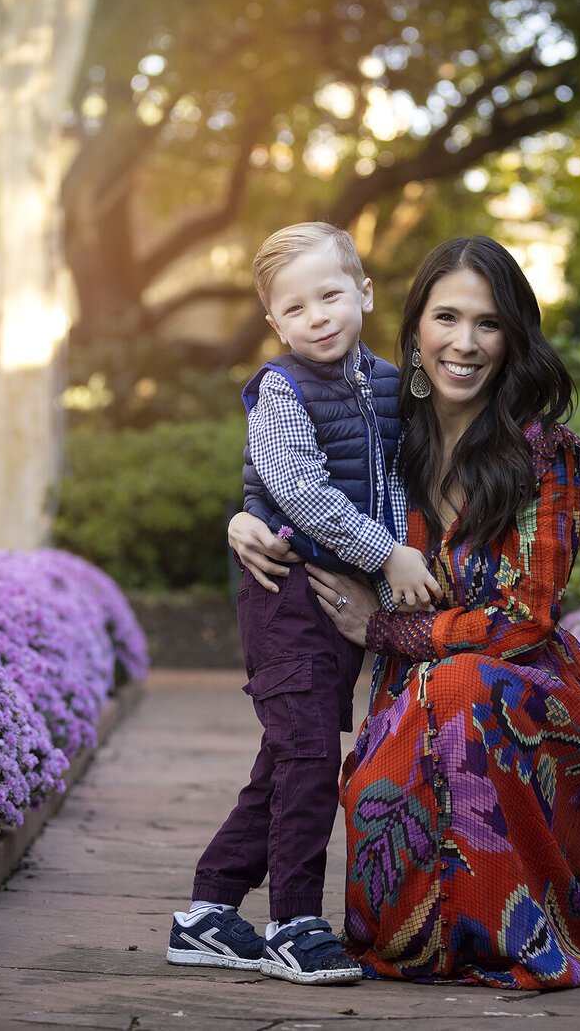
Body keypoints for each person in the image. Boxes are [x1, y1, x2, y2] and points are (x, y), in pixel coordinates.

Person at [229, 235, 580, 989]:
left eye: (488, 323)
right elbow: (295, 473)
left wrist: (381, 627)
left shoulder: (547, 455)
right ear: (415, 326)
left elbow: (524, 617)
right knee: (385, 920)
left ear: (514, 336)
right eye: (446, 317)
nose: (465, 342)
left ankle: (513, 922)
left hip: (527, 693)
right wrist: (244, 520)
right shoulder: (394, 435)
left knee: (461, 686)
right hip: (411, 702)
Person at [167, 222, 440, 986]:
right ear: (275, 323)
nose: (317, 315)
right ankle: (293, 920)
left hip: (341, 603)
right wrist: (387, 556)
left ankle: (209, 909)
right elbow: (299, 491)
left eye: (330, 294)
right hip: (284, 592)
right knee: (313, 754)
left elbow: (405, 481)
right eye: (296, 307)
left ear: (364, 292)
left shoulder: (392, 382)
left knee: (289, 757)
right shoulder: (280, 388)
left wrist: (389, 582)